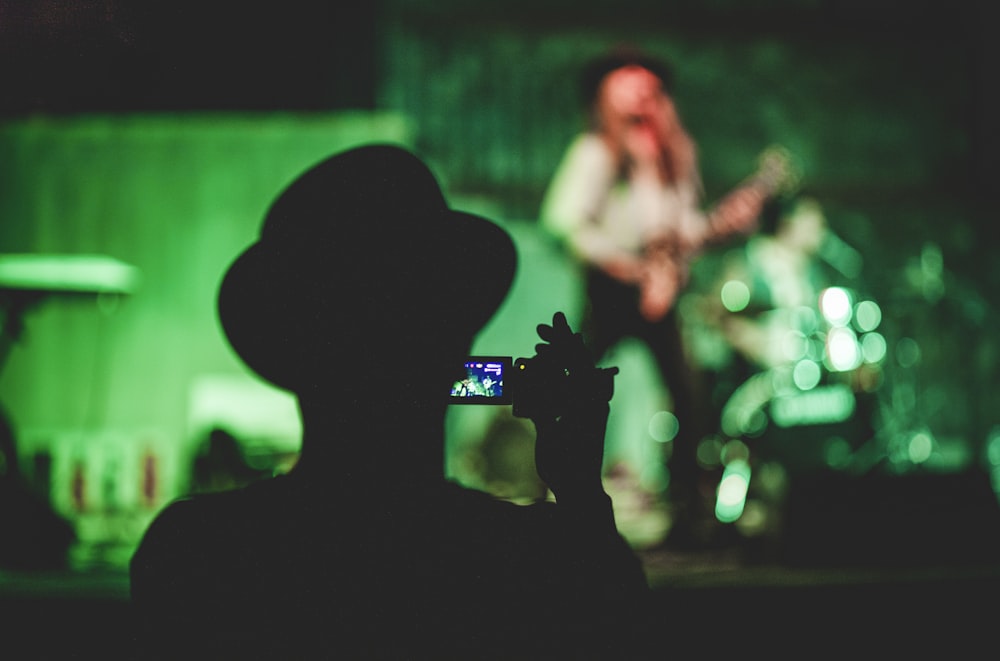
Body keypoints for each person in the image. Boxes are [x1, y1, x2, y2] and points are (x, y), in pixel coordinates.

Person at [130, 144, 650, 659]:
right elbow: (616, 627)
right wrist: (579, 491)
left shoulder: (198, 553)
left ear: (289, 352)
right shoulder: (523, 557)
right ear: (456, 346)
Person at [540, 47, 791, 548]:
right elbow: (562, 221)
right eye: (628, 82)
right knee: (575, 394)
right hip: (612, 290)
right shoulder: (595, 153)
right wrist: (626, 264)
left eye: (649, 85)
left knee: (688, 397)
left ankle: (688, 511)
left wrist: (723, 223)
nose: (642, 92)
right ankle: (560, 502)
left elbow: (684, 227)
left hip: (662, 289)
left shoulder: (675, 156)